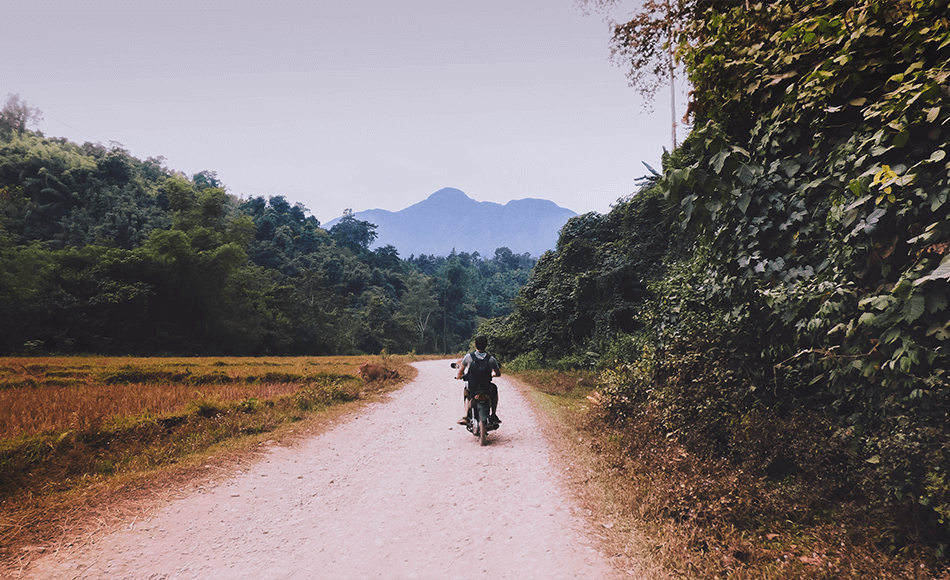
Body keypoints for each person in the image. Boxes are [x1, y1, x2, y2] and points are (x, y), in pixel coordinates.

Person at [455, 335, 501, 425]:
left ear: (475, 345)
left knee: (466, 393)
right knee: (494, 391)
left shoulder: (468, 357)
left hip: (473, 387)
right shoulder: (491, 359)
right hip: (486, 388)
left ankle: (465, 416)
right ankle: (493, 414)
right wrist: (494, 375)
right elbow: (498, 374)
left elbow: (460, 372)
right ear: (486, 345)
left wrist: (459, 377)